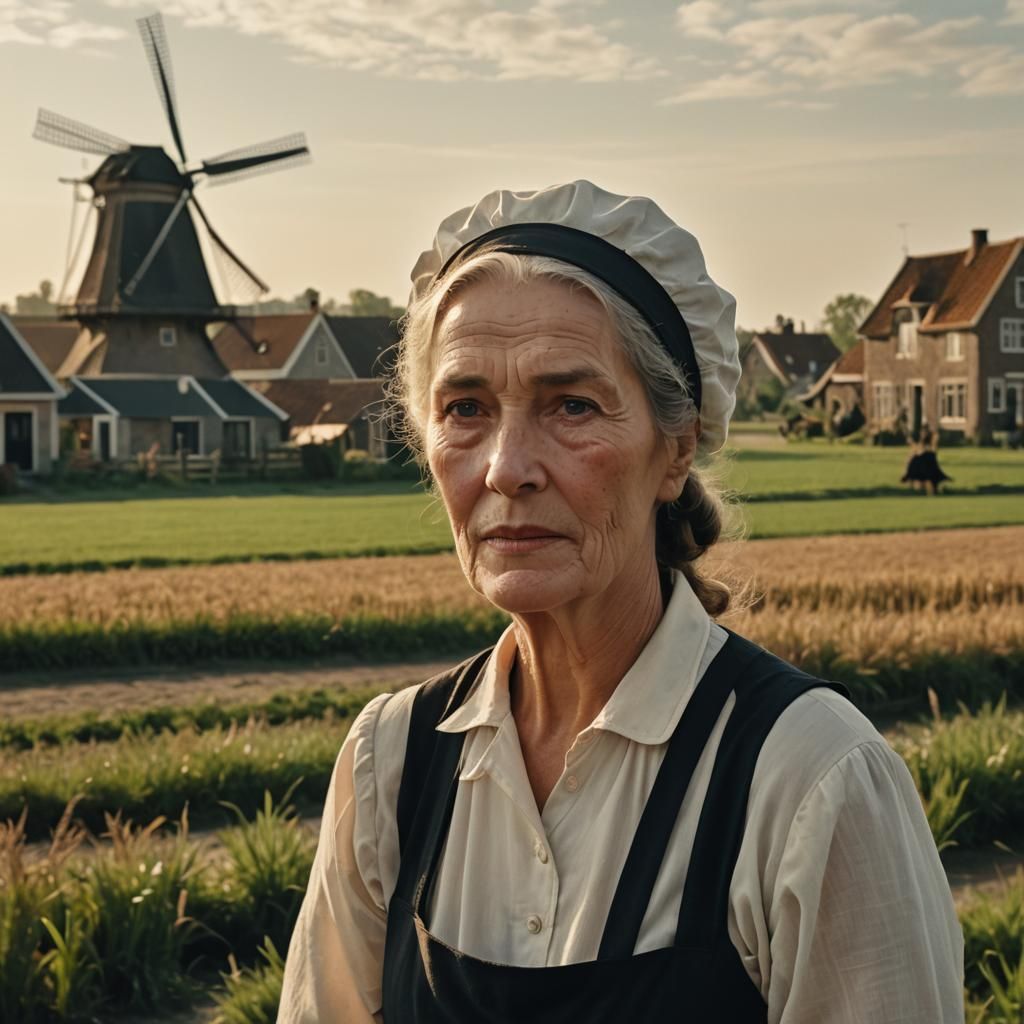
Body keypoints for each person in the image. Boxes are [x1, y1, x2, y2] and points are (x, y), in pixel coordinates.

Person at [278, 181, 964, 1023]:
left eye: (571, 405)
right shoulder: (391, 766)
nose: (506, 467)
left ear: (674, 452)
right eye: (466, 409)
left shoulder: (809, 782)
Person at [901, 426, 952, 494]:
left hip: (929, 468)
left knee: (928, 486)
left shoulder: (931, 444)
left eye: (925, 433)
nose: (923, 434)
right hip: (919, 469)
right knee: (919, 486)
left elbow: (933, 448)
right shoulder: (919, 445)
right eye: (922, 433)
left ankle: (932, 491)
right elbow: (911, 455)